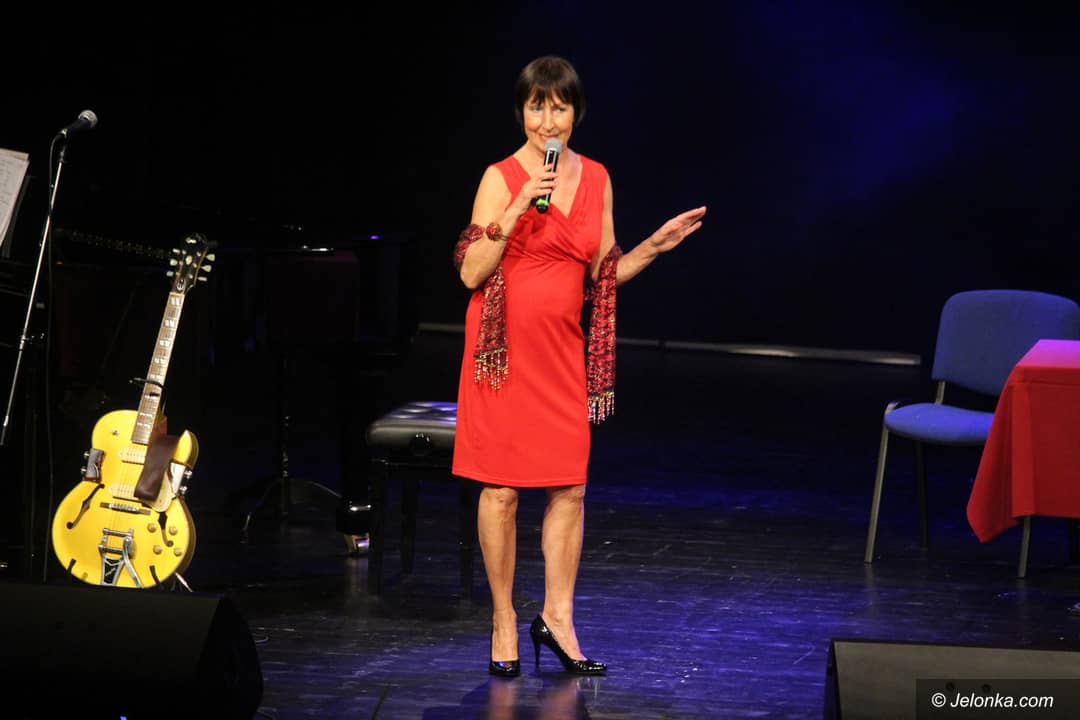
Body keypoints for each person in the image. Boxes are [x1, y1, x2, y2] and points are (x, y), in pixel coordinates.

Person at [451, 55, 706, 677]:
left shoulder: (596, 178)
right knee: (502, 490)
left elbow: (602, 274)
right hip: (501, 359)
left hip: (561, 356)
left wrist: (654, 246)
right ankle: (504, 619)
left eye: (558, 108)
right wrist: (516, 208)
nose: (547, 121)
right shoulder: (499, 177)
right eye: (535, 107)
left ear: (576, 113)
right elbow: (471, 273)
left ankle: (558, 620)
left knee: (568, 486)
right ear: (521, 112)